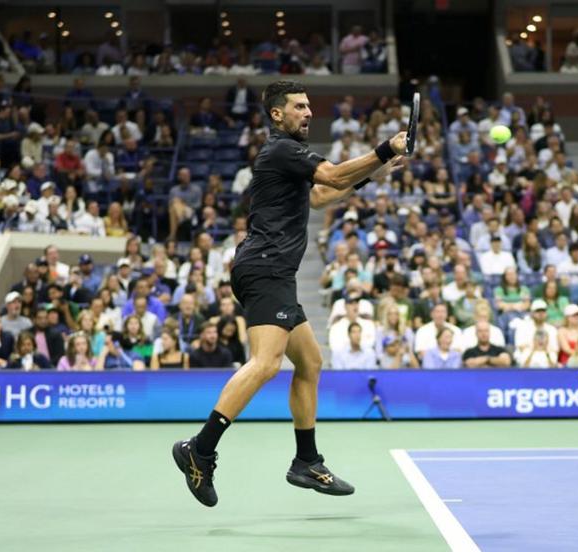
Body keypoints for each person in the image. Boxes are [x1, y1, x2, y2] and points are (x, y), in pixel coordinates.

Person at [172, 80, 407, 505]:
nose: (309, 111)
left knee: (310, 361)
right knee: (265, 364)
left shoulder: (288, 159)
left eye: (309, 105)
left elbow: (319, 196)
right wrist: (384, 150)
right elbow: (333, 174)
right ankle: (200, 450)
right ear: (277, 114)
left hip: (272, 271)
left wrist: (373, 172)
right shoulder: (281, 149)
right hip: (265, 269)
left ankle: (306, 461)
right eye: (299, 106)